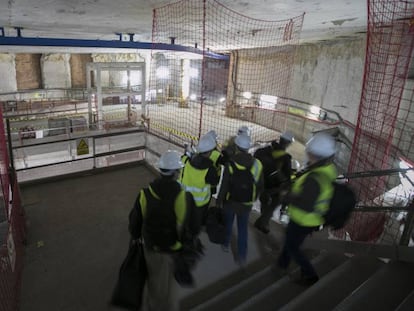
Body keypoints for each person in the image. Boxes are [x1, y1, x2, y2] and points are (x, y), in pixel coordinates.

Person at [128, 150, 199, 311]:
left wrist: (135, 236)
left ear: (161, 171)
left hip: (151, 246)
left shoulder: (145, 194)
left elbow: (134, 222)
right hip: (173, 248)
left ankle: (153, 305)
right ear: (176, 172)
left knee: (154, 280)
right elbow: (192, 226)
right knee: (170, 286)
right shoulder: (183, 196)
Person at [277, 132, 337, 286]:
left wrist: (287, 196)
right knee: (290, 241)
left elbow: (305, 204)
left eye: (309, 152)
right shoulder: (327, 169)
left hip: (302, 219)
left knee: (292, 246)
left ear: (314, 154)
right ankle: (282, 264)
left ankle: (310, 274)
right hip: (311, 219)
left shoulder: (314, 179)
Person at [217, 134, 264, 266]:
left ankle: (226, 244)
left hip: (230, 202)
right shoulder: (257, 164)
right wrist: (254, 197)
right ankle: (242, 256)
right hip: (246, 203)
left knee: (228, 225)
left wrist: (219, 200)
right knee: (243, 229)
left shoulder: (231, 162)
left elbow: (224, 185)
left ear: (237, 147)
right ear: (248, 148)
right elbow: (260, 185)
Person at [254, 131, 295, 234]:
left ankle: (263, 223)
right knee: (273, 205)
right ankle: (262, 223)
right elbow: (287, 178)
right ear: (288, 143)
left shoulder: (263, 151)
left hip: (262, 183)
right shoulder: (286, 158)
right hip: (276, 187)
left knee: (264, 203)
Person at [179, 133, 220, 234]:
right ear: (210, 152)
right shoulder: (210, 169)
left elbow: (182, 160)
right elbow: (215, 182)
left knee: (185, 220)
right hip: (200, 203)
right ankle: (191, 241)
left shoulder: (185, 160)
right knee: (195, 226)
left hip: (184, 198)